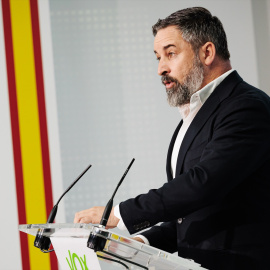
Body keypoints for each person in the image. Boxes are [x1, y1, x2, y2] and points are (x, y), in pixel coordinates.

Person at [74, 7, 270, 270]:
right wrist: (138, 243)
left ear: (207, 53)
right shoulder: (192, 116)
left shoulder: (246, 107)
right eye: (157, 57)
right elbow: (189, 216)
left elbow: (204, 184)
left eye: (170, 54)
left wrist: (120, 213)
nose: (160, 68)